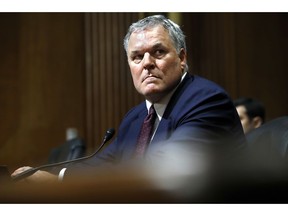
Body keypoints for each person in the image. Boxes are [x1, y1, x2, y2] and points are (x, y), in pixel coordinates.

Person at [11, 15, 247, 187]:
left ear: (182, 57)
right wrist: (54, 178)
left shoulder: (205, 100)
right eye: (136, 57)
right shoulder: (136, 118)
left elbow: (164, 168)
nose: (146, 63)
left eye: (158, 52)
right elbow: (103, 164)